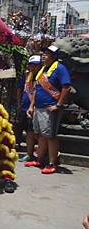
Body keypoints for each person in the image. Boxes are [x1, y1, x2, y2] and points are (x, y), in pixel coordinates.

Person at [26, 45, 71, 174]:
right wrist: (32, 105)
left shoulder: (60, 68)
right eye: (44, 53)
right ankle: (39, 159)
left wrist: (58, 105)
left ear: (54, 56)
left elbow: (66, 87)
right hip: (39, 107)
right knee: (41, 135)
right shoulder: (43, 69)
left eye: (47, 54)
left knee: (51, 136)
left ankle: (52, 163)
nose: (44, 55)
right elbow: (37, 89)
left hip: (50, 108)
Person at [17, 55, 42, 162]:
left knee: (36, 132)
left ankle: (42, 152)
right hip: (24, 107)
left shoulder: (42, 77)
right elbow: (19, 89)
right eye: (31, 65)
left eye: (36, 65)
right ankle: (29, 153)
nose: (33, 67)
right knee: (28, 132)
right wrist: (19, 104)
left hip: (37, 108)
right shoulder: (26, 75)